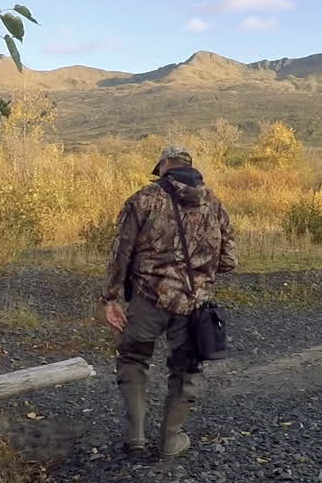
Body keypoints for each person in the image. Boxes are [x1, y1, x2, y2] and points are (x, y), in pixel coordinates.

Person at [100, 143, 237, 457]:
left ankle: (135, 437)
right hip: (194, 305)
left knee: (133, 360)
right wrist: (198, 273)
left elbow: (121, 254)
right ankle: (170, 441)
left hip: (149, 299)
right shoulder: (214, 203)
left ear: (163, 166)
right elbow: (229, 261)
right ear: (189, 165)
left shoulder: (143, 200)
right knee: (185, 370)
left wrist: (111, 298)